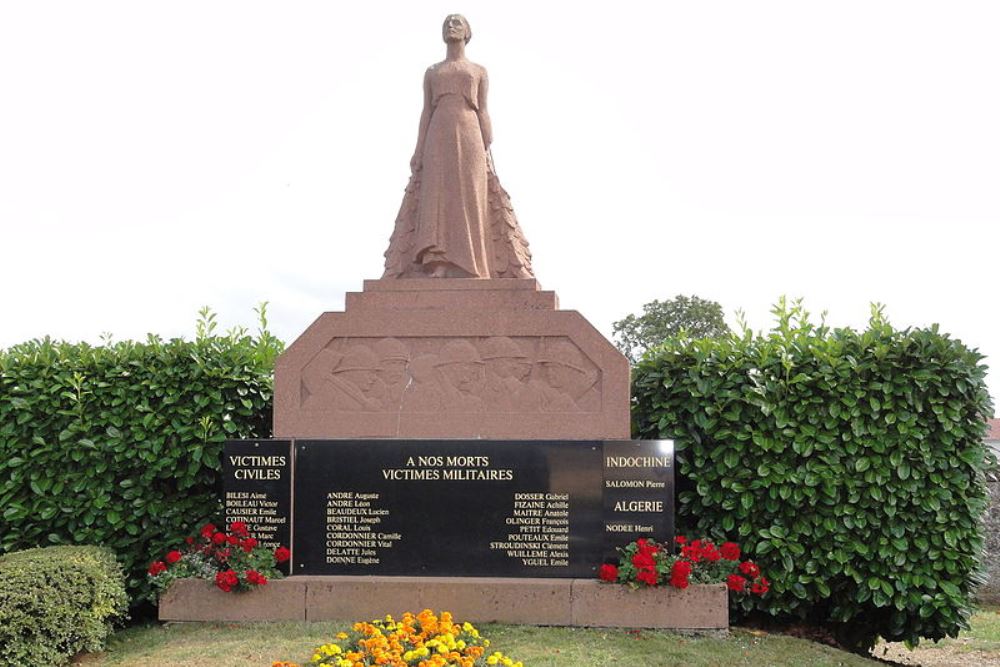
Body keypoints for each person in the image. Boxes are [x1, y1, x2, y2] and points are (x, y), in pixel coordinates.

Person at [383, 14, 533, 279]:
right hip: (438, 134)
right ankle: (437, 262)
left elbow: (484, 109)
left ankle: (474, 264)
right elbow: (426, 111)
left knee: (470, 195)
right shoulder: (432, 72)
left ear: (467, 33)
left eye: (457, 23)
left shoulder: (478, 71)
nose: (451, 26)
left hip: (469, 131)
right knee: (438, 195)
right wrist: (418, 149)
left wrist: (487, 136)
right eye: (447, 24)